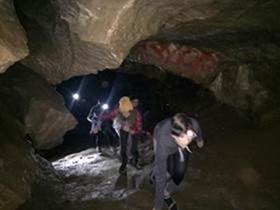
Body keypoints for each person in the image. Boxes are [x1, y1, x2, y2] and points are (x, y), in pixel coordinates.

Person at [151, 113, 204, 210]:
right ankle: (155, 177)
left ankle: (167, 188)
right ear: (174, 136)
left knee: (179, 173)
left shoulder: (193, 125)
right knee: (162, 171)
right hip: (159, 133)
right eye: (181, 139)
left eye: (188, 137)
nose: (186, 142)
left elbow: (198, 128)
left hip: (175, 142)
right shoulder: (164, 141)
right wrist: (158, 206)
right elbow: (161, 176)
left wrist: (199, 140)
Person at [99, 96, 142, 173]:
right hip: (123, 132)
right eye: (122, 110)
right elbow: (108, 115)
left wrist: (133, 131)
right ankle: (124, 164)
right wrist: (98, 118)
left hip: (134, 132)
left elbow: (139, 128)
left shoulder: (136, 113)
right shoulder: (118, 111)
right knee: (123, 149)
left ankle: (135, 162)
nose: (124, 112)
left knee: (134, 148)